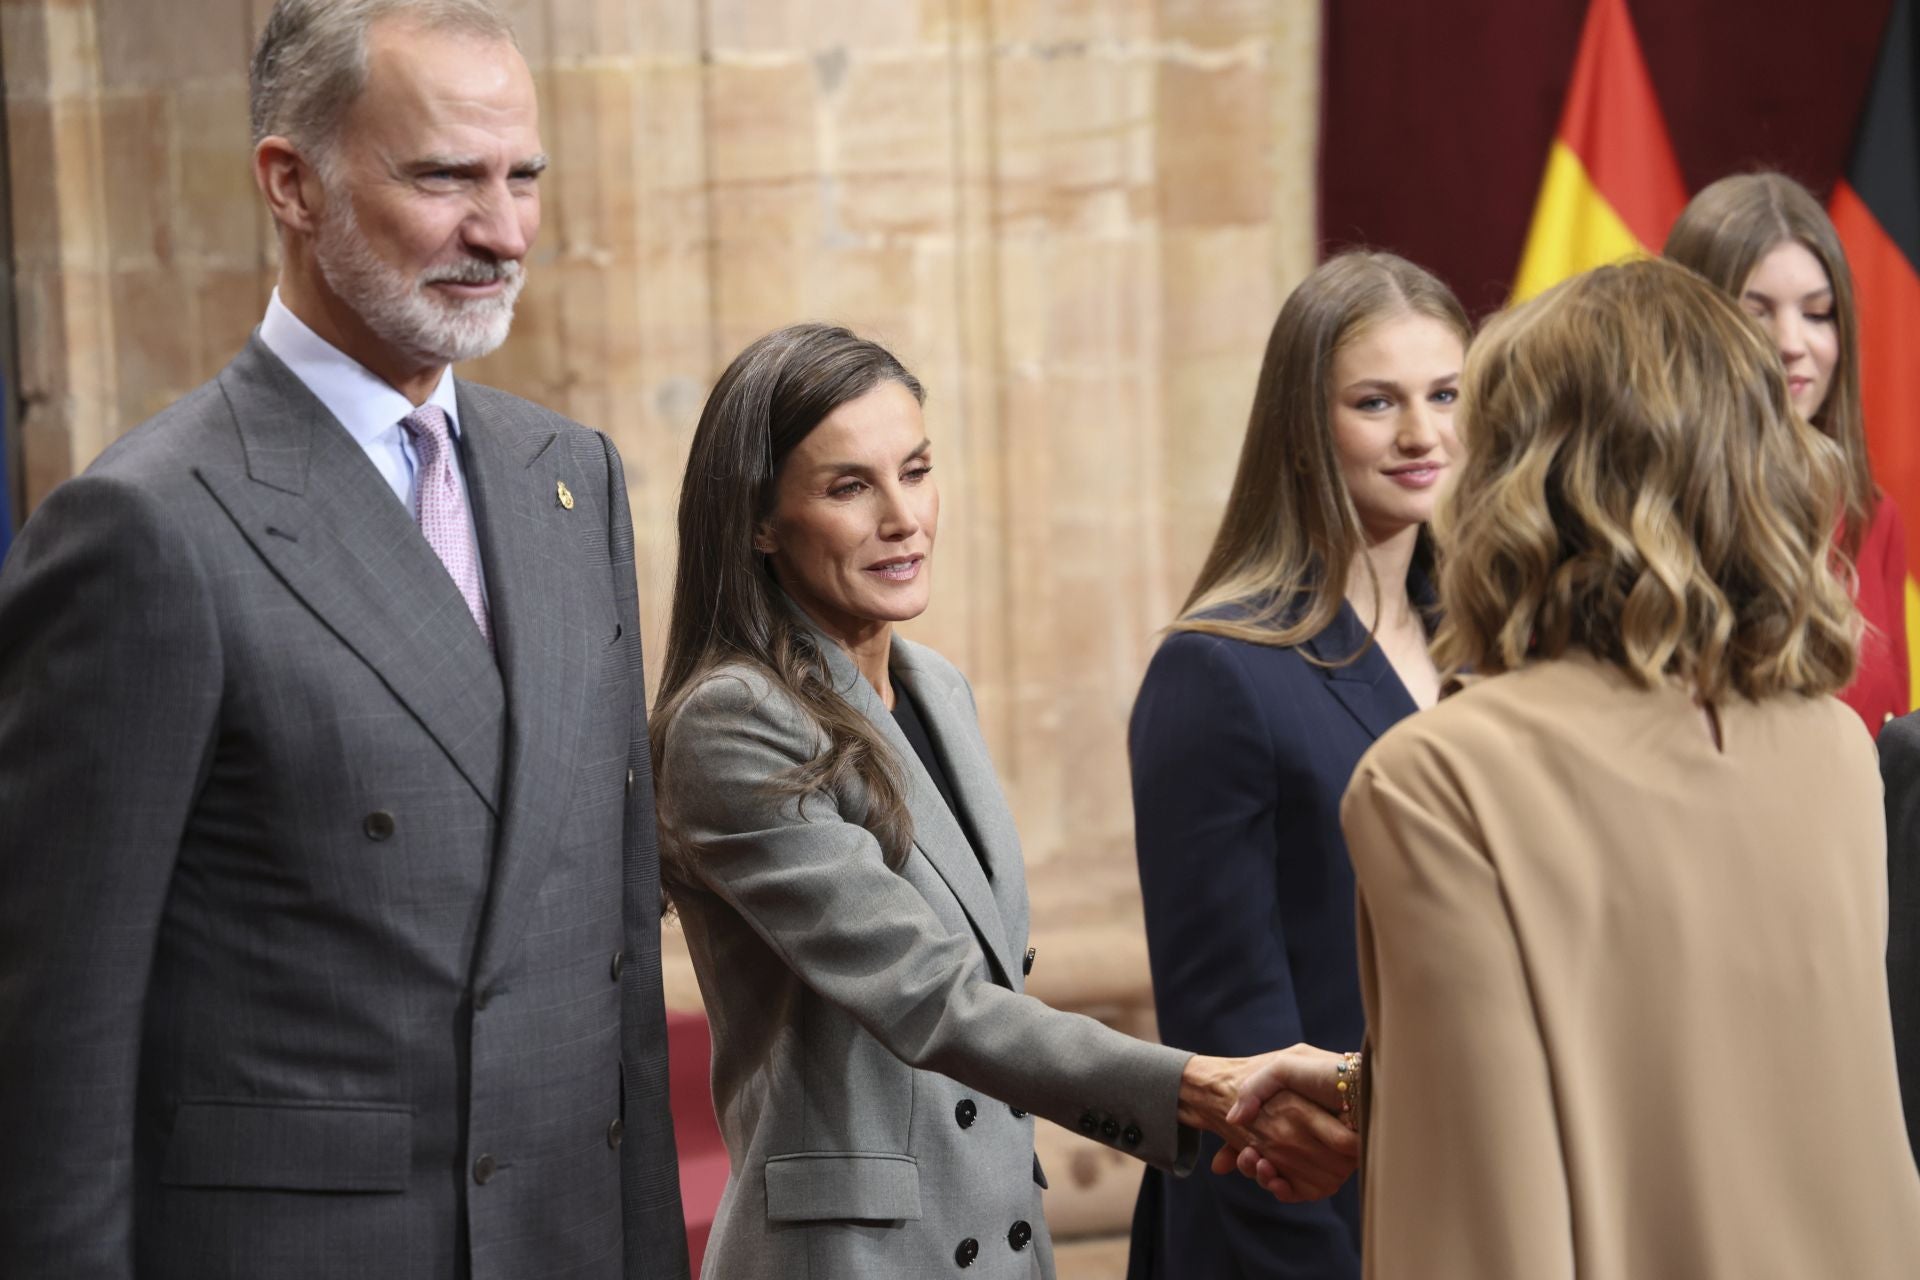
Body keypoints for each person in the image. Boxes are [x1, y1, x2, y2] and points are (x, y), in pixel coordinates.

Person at [0, 3, 687, 1276]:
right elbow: (54, 1045)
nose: (502, 231)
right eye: (443, 177)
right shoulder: (143, 528)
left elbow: (613, 972)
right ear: (291, 182)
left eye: (521, 175)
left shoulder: (572, 479)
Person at [1241, 258, 1920, 1276]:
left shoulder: (1440, 778)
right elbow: (1713, 1070)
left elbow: (1479, 1213)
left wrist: (1395, 1096)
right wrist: (1373, 1087)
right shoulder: (1837, 749)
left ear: (1523, 476)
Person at [647, 322, 1358, 1279]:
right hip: (850, 1258)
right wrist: (1208, 1084)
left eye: (917, 469)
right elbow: (932, 996)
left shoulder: (937, 686)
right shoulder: (729, 721)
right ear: (760, 521)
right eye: (850, 486)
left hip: (1001, 1241)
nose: (904, 517)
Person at [1124, 252, 1466, 1280]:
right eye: (1377, 401)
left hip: (1468, 1196)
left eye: (1445, 393)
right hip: (1292, 1230)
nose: (1422, 434)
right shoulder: (1218, 668)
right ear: (1304, 423)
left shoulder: (1494, 642)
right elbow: (1238, 1069)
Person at [1665, 171, 1909, 735]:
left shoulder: (1871, 516)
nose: (1792, 344)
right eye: (1757, 313)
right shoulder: (1642, 511)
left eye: (1818, 313)